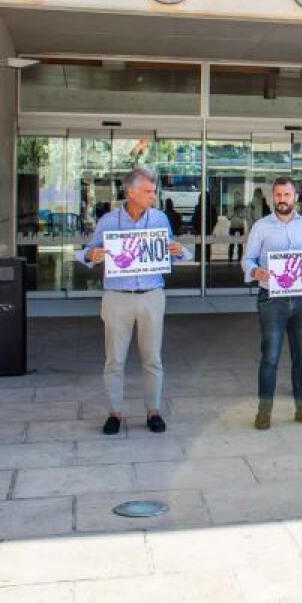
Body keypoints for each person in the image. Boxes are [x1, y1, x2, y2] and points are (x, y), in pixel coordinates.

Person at [77, 167, 191, 435]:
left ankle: (153, 412)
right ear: (131, 192)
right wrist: (93, 255)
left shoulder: (160, 219)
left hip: (152, 295)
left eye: (154, 191)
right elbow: (86, 252)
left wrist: (179, 251)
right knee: (114, 359)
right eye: (149, 191)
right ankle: (114, 413)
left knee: (152, 358)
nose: (154, 195)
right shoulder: (108, 221)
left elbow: (174, 250)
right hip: (117, 297)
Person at [241, 177, 302, 429]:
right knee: (270, 357)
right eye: (278, 195)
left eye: (287, 195)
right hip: (271, 300)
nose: (282, 199)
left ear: (295, 197)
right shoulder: (261, 226)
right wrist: (256, 272)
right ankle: (264, 412)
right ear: (272, 197)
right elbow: (248, 260)